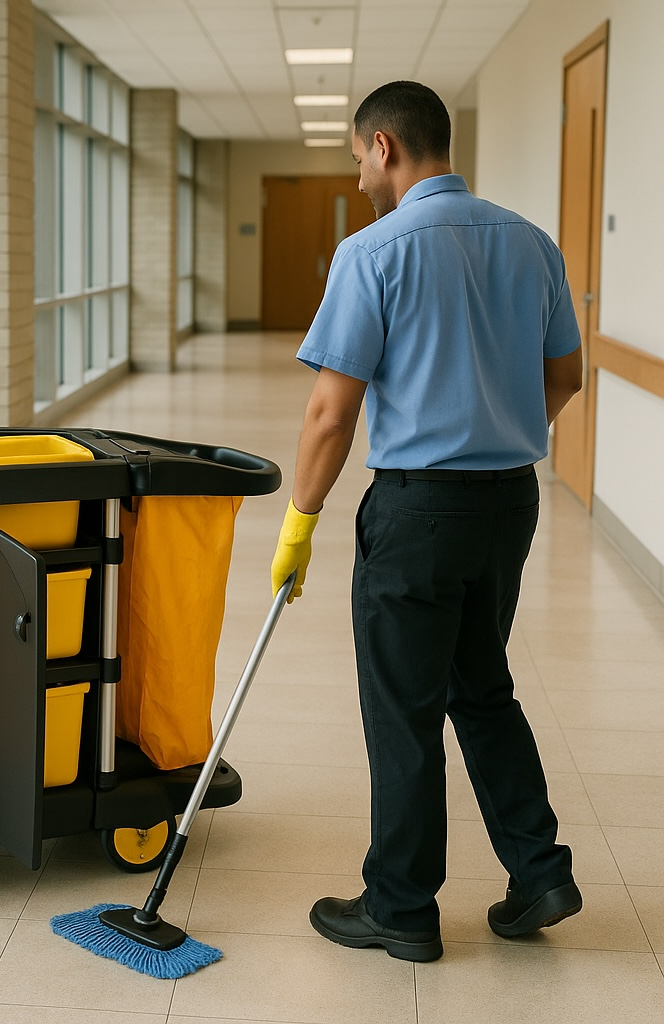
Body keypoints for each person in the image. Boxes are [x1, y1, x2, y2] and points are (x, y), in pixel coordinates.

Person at [270, 81, 584, 963]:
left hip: (417, 510)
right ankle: (540, 871)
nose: (358, 172)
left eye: (357, 156)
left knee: (404, 708)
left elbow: (332, 413)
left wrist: (300, 523)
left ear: (383, 146)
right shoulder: (531, 243)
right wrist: (497, 431)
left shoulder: (371, 252)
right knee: (481, 686)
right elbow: (565, 377)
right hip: (507, 502)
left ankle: (401, 908)